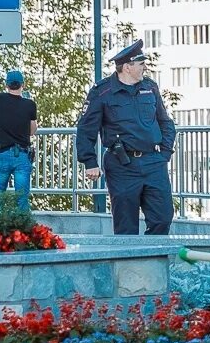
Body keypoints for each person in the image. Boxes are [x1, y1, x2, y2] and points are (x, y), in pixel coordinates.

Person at [75, 40, 177, 235]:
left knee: (163, 218)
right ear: (128, 67)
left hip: (153, 162)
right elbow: (86, 128)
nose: (144, 68)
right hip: (122, 165)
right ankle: (130, 266)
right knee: (126, 226)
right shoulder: (102, 91)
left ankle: (151, 263)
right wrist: (89, 161)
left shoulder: (150, 87)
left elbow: (165, 122)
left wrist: (164, 153)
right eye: (140, 64)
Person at [0, 70, 38, 213]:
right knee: (21, 198)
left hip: (3, 153)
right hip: (22, 154)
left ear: (7, 85)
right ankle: (24, 232)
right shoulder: (30, 104)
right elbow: (32, 131)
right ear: (23, 85)